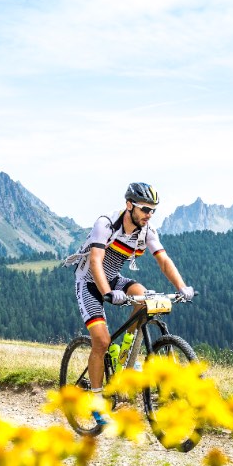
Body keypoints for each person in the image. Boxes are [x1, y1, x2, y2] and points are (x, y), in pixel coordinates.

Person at [72, 182, 194, 425]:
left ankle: (126, 354)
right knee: (102, 341)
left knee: (143, 297)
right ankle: (97, 402)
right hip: (88, 281)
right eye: (145, 210)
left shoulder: (147, 231)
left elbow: (164, 260)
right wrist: (107, 293)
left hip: (114, 278)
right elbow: (96, 261)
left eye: (152, 211)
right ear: (129, 205)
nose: (149, 215)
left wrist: (182, 287)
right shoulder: (105, 224)